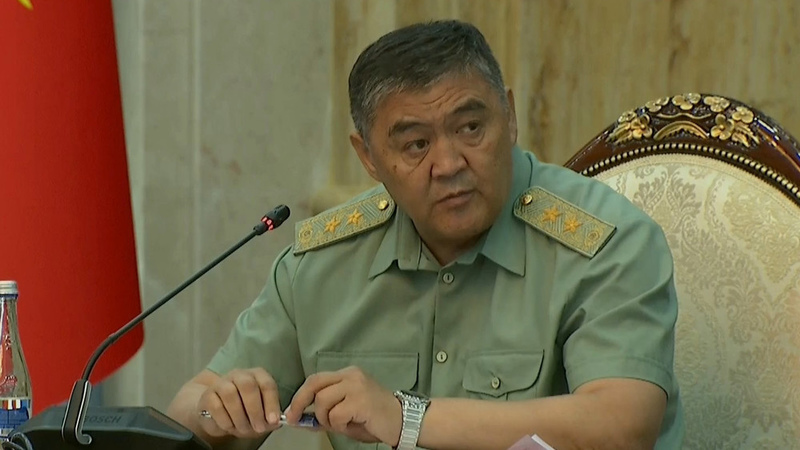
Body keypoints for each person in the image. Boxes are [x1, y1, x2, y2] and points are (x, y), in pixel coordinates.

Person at [167, 19, 684, 450]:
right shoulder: (322, 262)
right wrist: (218, 410)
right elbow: (187, 413)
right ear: (368, 157)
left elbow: (621, 425)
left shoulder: (605, 242)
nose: (449, 164)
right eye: (416, 144)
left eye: (470, 128)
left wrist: (406, 418)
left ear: (509, 117)